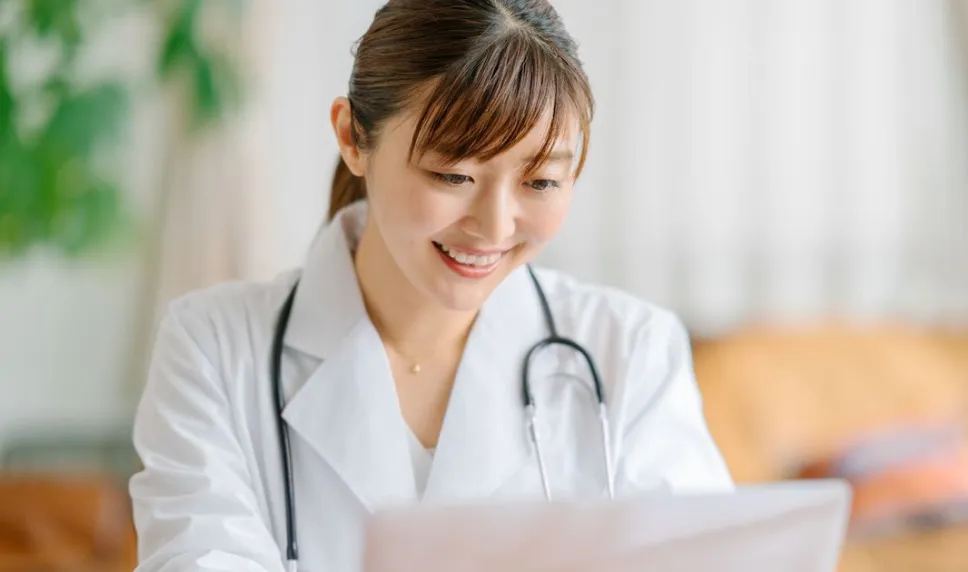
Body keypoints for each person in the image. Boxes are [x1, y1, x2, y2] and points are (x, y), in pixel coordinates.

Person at [128, 1, 733, 570]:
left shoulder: (630, 350)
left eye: (542, 182)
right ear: (352, 137)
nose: (495, 226)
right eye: (453, 174)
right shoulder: (213, 347)